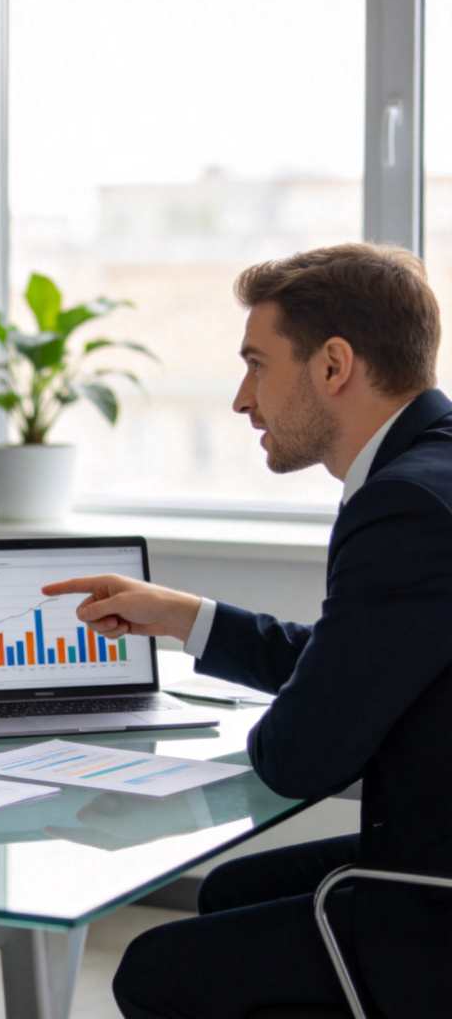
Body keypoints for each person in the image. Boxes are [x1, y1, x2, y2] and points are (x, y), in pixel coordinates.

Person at [42, 243, 452, 1019]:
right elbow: (366, 661)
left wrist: (291, 716)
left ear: (333, 366)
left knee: (155, 971)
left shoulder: (406, 510)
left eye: (257, 364)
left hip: (434, 900)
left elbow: (299, 758)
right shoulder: (433, 470)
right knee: (232, 888)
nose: (239, 398)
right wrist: (189, 619)